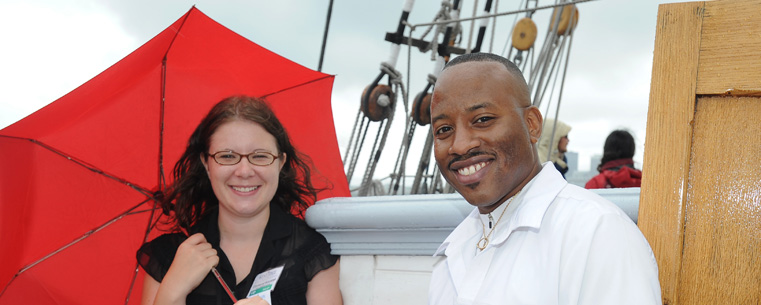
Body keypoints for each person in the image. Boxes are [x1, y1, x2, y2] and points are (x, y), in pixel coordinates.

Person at [427, 53, 661, 304]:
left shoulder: (595, 234)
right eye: (444, 130)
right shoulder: (453, 251)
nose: (460, 145)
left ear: (532, 125)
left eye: (483, 120)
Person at [137, 96, 342, 305]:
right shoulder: (168, 257)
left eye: (260, 156)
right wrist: (172, 292)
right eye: (227, 156)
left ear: (280, 163)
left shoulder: (313, 251)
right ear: (207, 164)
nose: (244, 171)